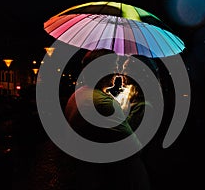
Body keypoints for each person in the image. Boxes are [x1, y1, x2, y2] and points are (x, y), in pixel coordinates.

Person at [64, 49, 151, 190]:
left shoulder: (76, 95)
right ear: (102, 70)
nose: (118, 72)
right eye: (114, 66)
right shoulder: (103, 103)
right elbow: (133, 149)